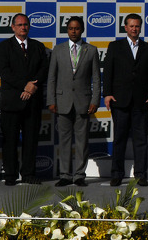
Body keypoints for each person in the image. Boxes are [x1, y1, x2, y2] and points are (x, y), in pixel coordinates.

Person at [103, 13, 148, 186]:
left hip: (141, 101)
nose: (134, 29)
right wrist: (107, 94)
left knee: (141, 139)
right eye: (131, 26)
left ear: (140, 27)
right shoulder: (115, 46)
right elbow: (108, 72)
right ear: (125, 27)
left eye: (137, 26)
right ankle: (116, 174)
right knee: (119, 139)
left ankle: (141, 174)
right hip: (119, 100)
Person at [0, 13, 50, 185]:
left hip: (32, 101)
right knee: (10, 140)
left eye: (25, 24)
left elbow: (44, 69)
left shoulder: (38, 47)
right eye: (19, 25)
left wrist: (33, 86)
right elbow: (4, 72)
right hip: (12, 101)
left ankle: (28, 174)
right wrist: (25, 85)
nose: (23, 27)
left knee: (31, 139)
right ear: (13, 27)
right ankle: (10, 175)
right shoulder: (4, 47)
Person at [46, 16, 101, 187]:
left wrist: (95, 100)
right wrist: (51, 100)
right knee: (64, 140)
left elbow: (96, 79)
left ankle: (79, 175)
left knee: (82, 141)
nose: (74, 31)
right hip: (62, 102)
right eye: (71, 28)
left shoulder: (91, 50)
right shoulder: (58, 49)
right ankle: (65, 175)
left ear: (82, 30)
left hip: (83, 102)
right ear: (67, 30)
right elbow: (52, 78)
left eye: (77, 28)